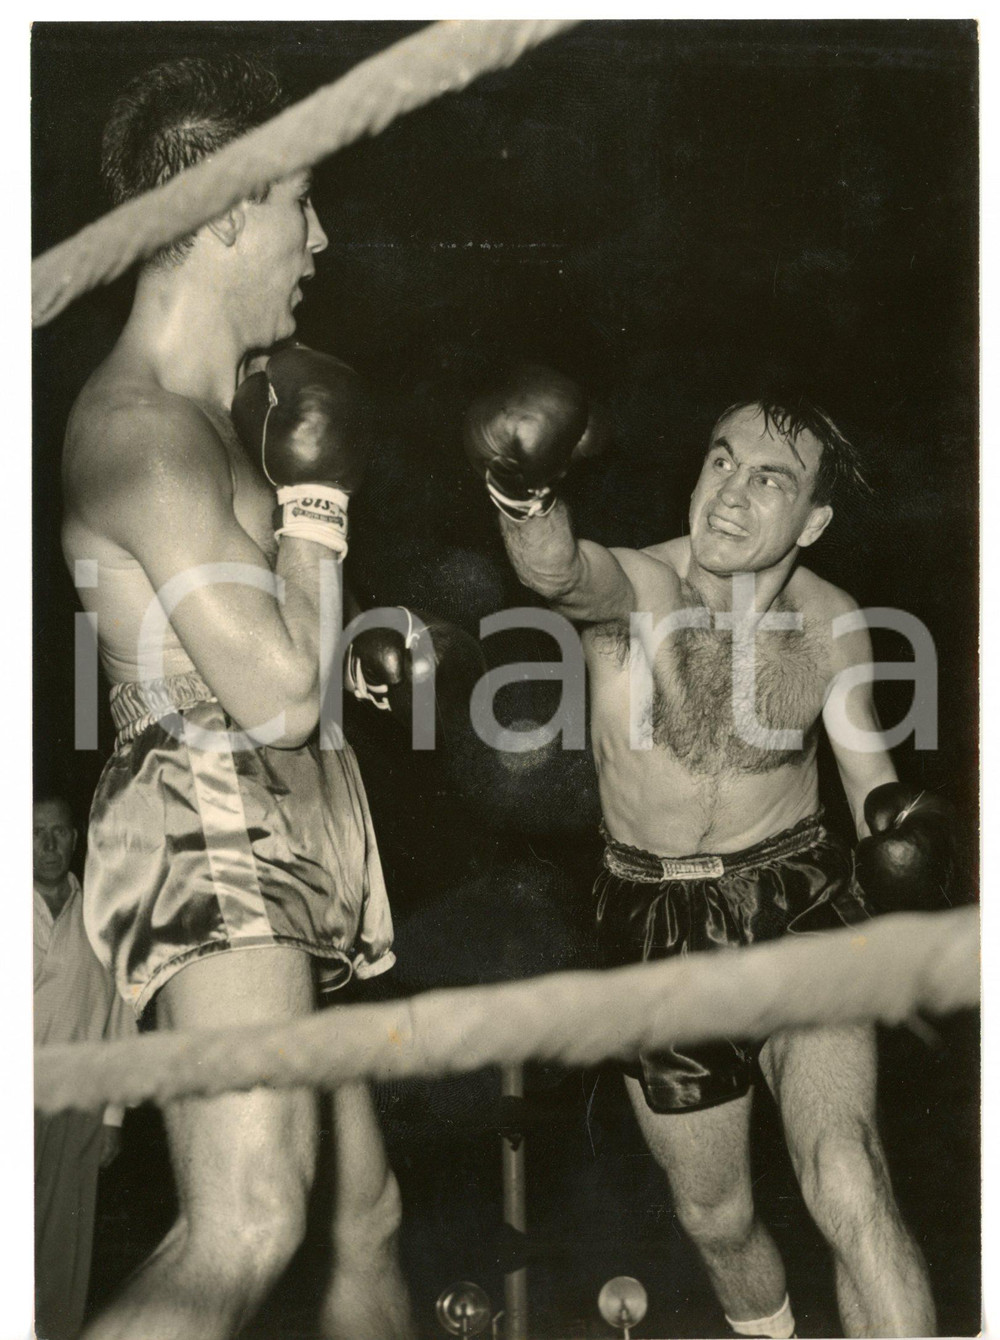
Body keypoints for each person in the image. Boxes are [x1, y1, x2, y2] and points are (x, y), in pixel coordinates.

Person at [464, 367, 951, 1338]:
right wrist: (523, 492)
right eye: (721, 459)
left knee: (846, 1169)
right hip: (657, 921)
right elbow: (557, 570)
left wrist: (907, 836)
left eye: (771, 477)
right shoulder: (642, 588)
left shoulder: (833, 621)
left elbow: (868, 786)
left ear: (812, 519)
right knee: (716, 1219)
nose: (731, 487)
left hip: (798, 897)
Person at [61, 56, 415, 1340]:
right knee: (249, 1219)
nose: (319, 239)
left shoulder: (227, 413)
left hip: (280, 812)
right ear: (223, 212)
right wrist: (319, 506)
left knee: (358, 1218)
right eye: (300, 203)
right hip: (213, 814)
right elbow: (268, 695)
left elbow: (287, 656)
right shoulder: (145, 429)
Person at [33, 789, 136, 1340]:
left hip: (77, 1102)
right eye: (35, 833)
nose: (48, 845)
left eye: (58, 833)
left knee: (62, 1253)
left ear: (75, 840)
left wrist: (114, 1116)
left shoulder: (101, 916)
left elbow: (121, 1016)